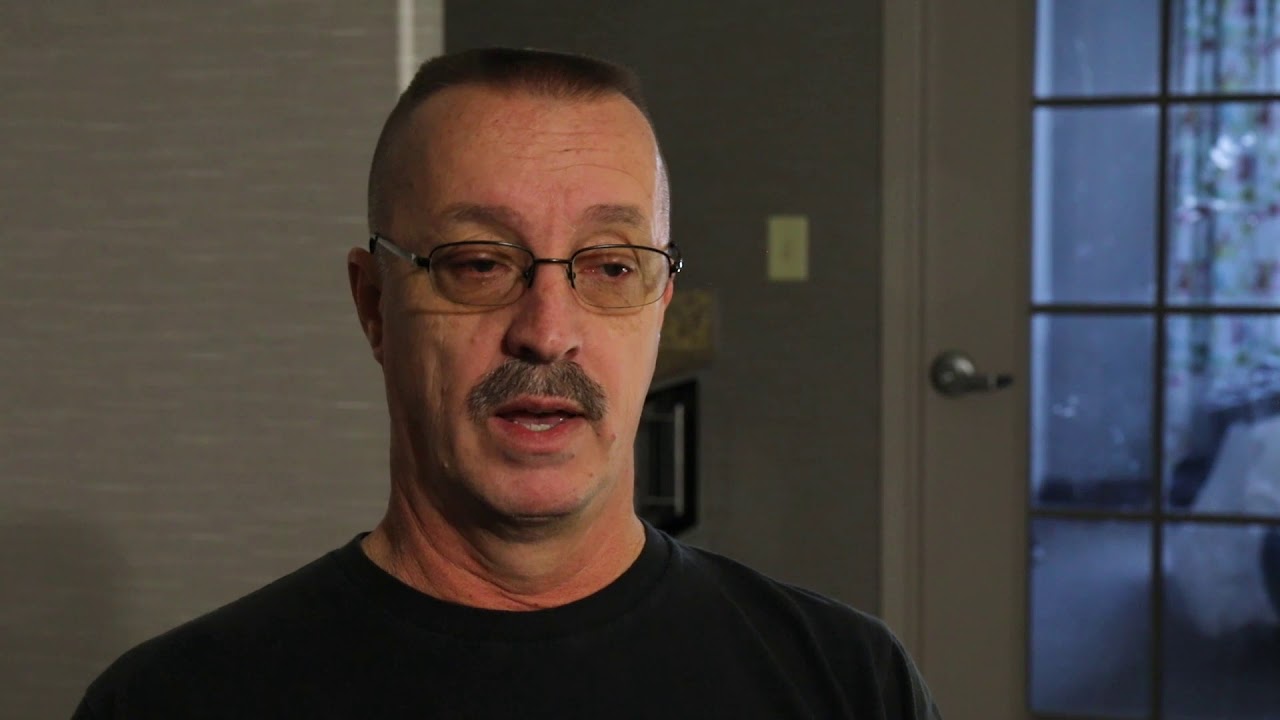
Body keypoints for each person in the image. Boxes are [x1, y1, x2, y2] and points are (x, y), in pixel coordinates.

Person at [73, 47, 940, 719]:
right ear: (375, 306)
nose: (548, 331)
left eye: (610, 266)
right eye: (480, 263)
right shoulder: (177, 701)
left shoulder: (846, 683)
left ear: (658, 304)